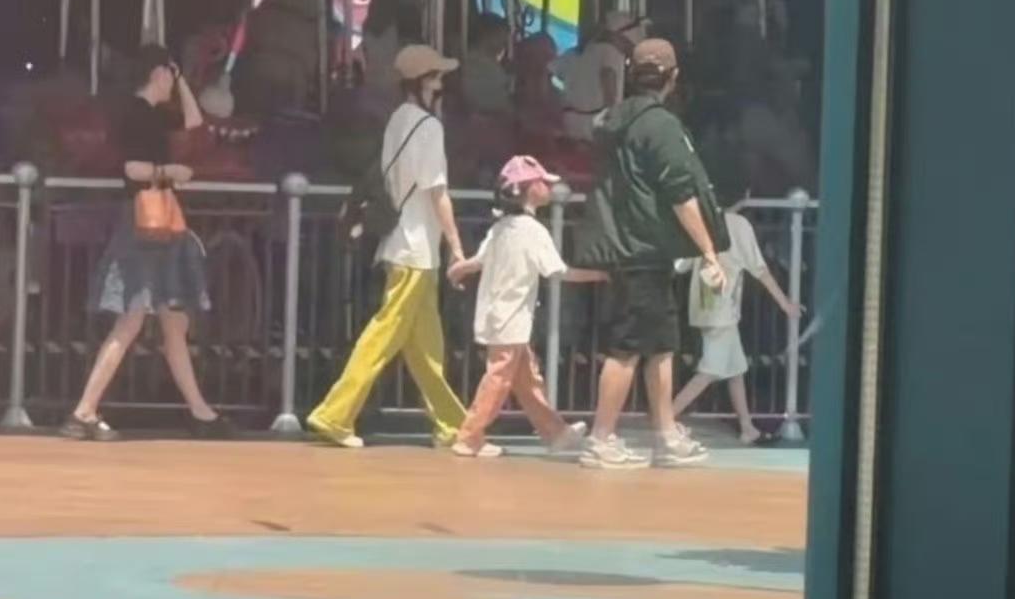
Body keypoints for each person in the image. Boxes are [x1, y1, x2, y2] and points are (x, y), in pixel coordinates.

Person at [574, 38, 729, 471]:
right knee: (626, 348)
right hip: (644, 247)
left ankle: (666, 435)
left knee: (661, 345)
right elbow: (680, 191)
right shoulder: (660, 125)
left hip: (625, 245)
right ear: (672, 78)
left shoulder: (612, 120)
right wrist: (709, 251)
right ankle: (601, 439)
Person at [60, 46, 227, 441]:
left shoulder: (152, 113)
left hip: (156, 225)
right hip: (144, 224)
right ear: (157, 73)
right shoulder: (136, 114)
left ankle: (201, 412)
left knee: (172, 321)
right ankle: (83, 411)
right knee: (134, 319)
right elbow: (131, 168)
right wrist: (171, 172)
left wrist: (181, 82)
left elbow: (195, 126)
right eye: (170, 74)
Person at [307, 44, 468, 448]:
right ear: (424, 82)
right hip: (416, 248)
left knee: (427, 349)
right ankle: (335, 414)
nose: (442, 83)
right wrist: (456, 245)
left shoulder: (398, 118)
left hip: (404, 245)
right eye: (437, 76)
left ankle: (454, 425)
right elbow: (438, 192)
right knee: (382, 336)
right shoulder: (429, 128)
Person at [447, 155, 605, 459]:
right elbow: (558, 271)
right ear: (530, 189)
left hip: (499, 314)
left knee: (527, 379)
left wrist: (458, 270)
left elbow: (479, 261)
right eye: (543, 182)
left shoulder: (500, 227)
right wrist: (598, 275)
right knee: (499, 379)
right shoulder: (533, 231)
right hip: (512, 317)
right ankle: (469, 436)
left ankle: (555, 433)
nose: (548, 187)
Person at [673, 194, 801, 445]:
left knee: (736, 369)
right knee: (709, 371)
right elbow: (759, 269)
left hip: (704, 308)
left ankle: (747, 427)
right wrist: (785, 303)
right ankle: (666, 418)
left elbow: (681, 266)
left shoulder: (701, 221)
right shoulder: (739, 225)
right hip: (722, 310)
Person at [550, 12, 647, 143]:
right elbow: (608, 77)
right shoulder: (612, 52)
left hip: (568, 124)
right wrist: (613, 119)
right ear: (620, 36)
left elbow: (549, 70)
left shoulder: (575, 52)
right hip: (592, 127)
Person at [460, 14, 513, 118]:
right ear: (488, 36)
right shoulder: (479, 64)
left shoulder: (483, 61)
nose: (504, 44)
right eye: (501, 38)